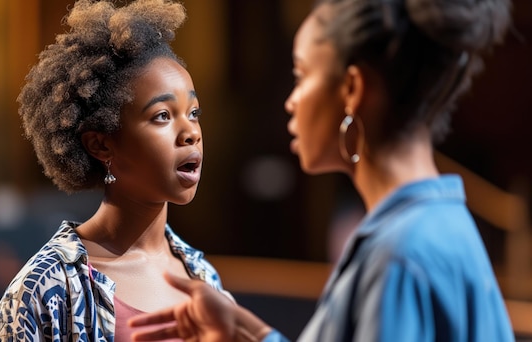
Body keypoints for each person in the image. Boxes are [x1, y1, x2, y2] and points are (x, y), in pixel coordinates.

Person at [128, 0, 515, 341]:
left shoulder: (400, 256)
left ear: (351, 89)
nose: (291, 102)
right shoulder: (437, 223)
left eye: (301, 76)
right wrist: (248, 333)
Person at [0, 0, 231, 340]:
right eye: (162, 115)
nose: (190, 132)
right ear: (101, 145)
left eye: (193, 112)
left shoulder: (203, 278)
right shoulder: (44, 290)